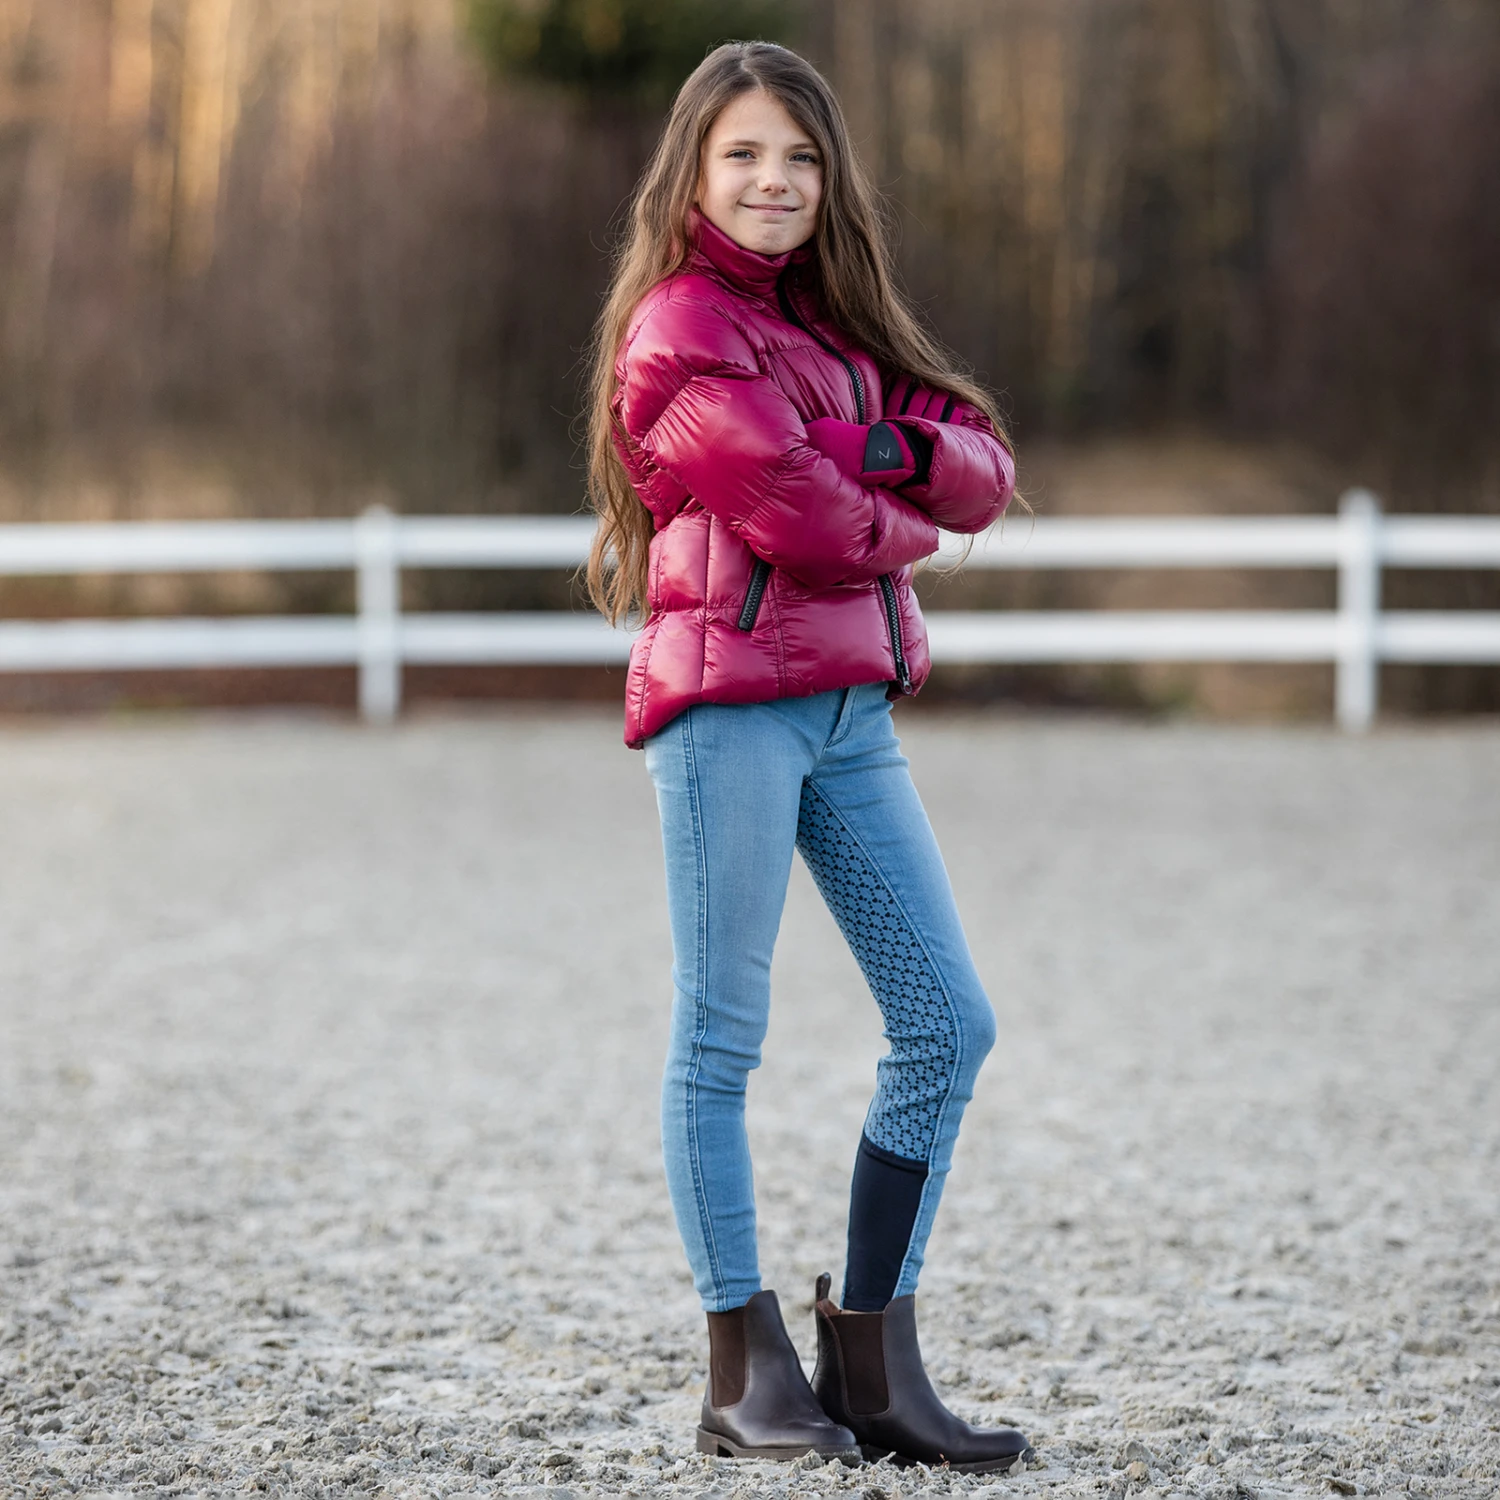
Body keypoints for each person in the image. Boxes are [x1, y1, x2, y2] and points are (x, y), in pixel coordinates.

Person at [584, 40, 1033, 1474]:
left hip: (849, 712)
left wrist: (876, 447)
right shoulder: (676, 328)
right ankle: (739, 1366)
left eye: (801, 157)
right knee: (722, 1041)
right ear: (694, 174)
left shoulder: (840, 326)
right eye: (744, 157)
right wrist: (888, 477)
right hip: (729, 706)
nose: (774, 182)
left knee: (948, 1025)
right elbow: (811, 525)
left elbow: (980, 465)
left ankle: (872, 1358)